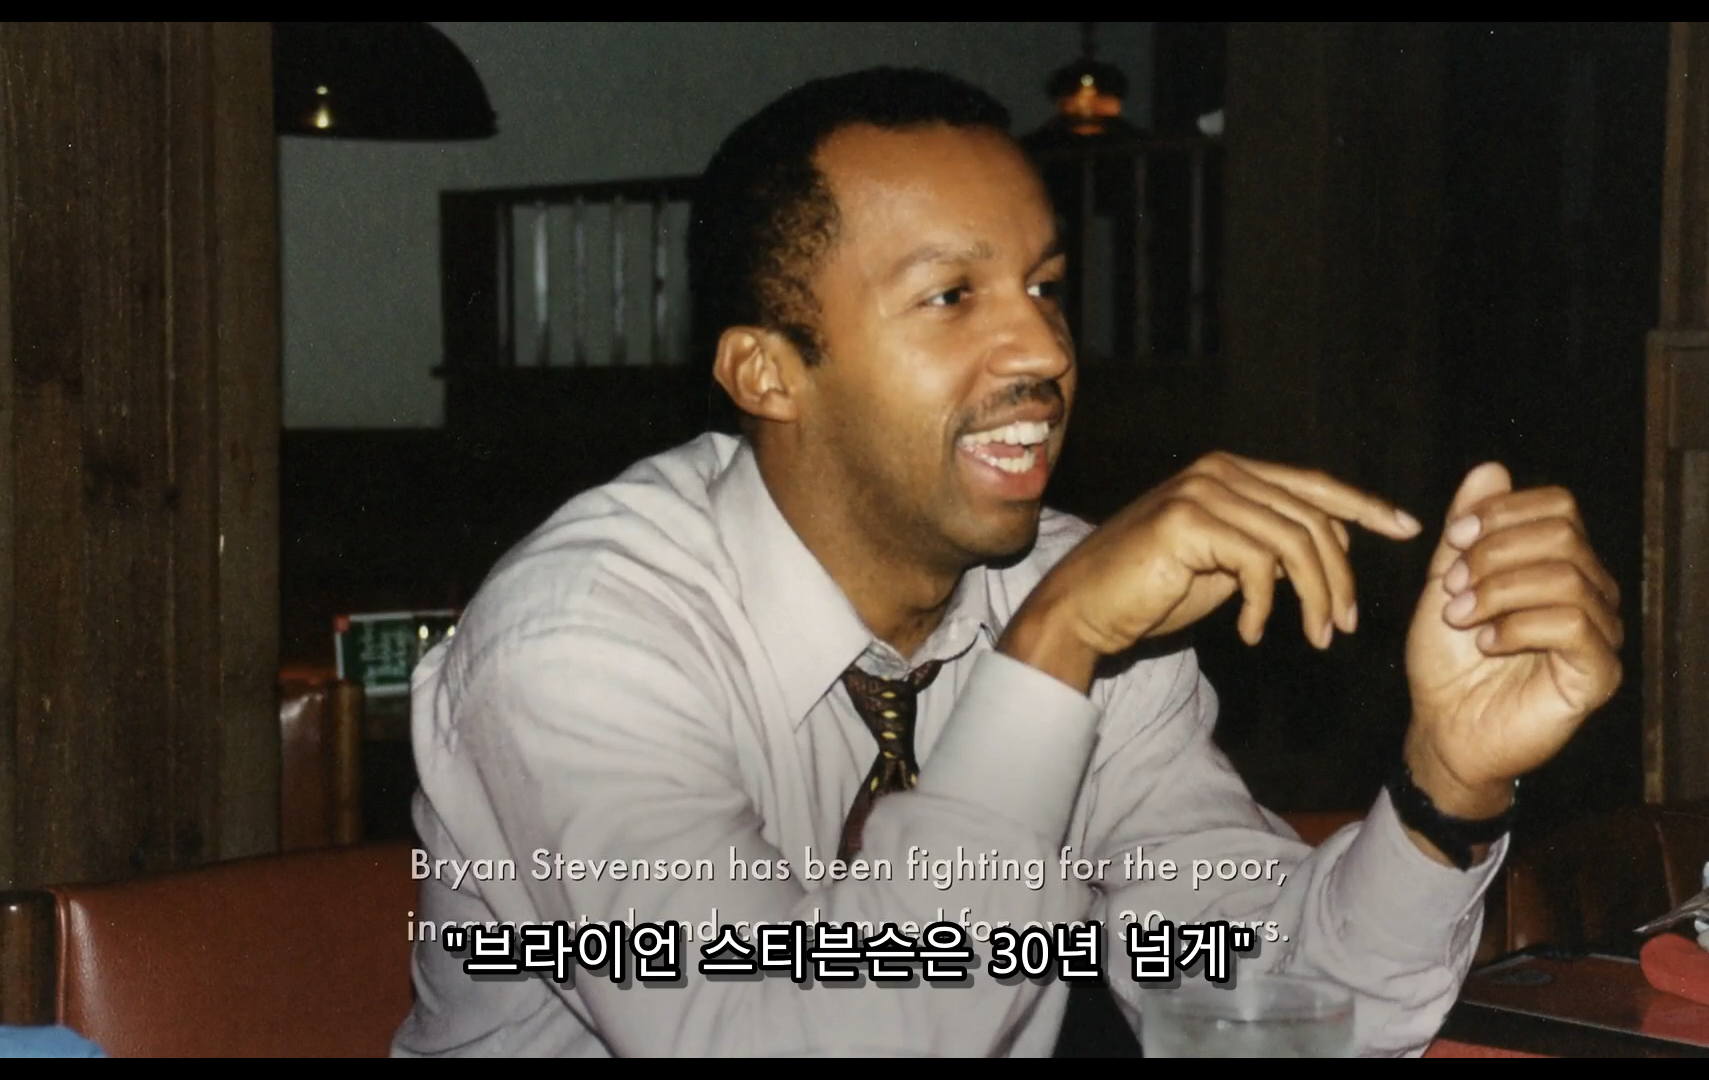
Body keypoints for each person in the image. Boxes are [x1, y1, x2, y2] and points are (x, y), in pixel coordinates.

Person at [393, 67, 1623, 1058]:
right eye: (951, 296)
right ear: (768, 372)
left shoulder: (1073, 595)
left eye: (1044, 286)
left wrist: (1444, 785)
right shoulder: (580, 640)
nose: (1042, 346)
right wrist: (1054, 650)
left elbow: (1267, 1004)